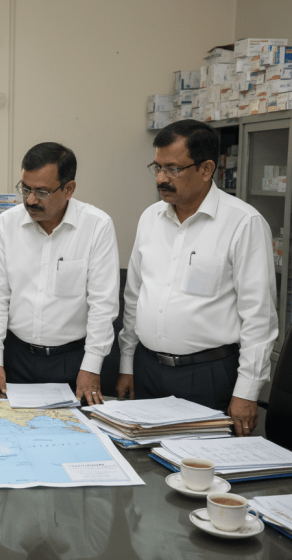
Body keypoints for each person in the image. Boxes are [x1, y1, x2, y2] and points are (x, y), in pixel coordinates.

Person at [117, 119, 278, 436]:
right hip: (148, 368)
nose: (162, 178)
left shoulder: (243, 223)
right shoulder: (150, 219)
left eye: (173, 169)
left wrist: (247, 392)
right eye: (157, 167)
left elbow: (259, 318)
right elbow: (134, 297)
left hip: (208, 375)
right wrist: (127, 364)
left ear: (206, 169)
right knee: (146, 466)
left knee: (202, 469)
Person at [0, 142, 119, 404]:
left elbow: (103, 305)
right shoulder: (7, 224)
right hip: (17, 358)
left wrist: (91, 367)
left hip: (73, 361)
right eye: (26, 188)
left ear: (69, 189)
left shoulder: (96, 226)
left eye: (42, 192)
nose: (30, 200)